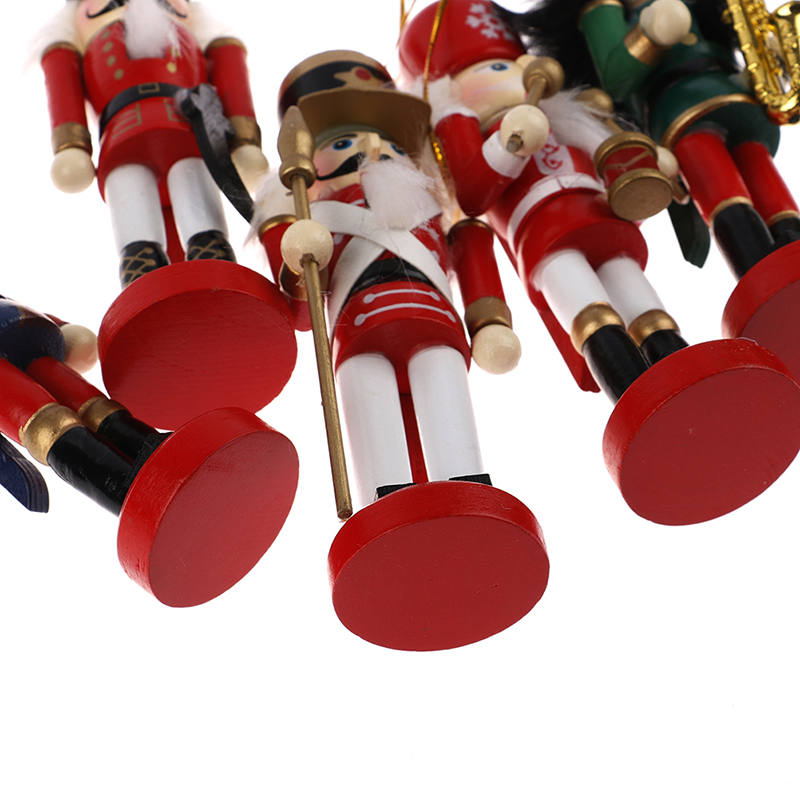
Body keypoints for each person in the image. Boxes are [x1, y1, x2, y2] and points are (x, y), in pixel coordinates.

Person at [398, 0, 800, 525]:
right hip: (542, 236)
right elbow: (474, 193)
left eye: (512, 64)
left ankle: (682, 370)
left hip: (602, 218)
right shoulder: (467, 127)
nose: (516, 74)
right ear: (450, 92)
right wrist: (511, 143)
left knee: (643, 302)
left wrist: (648, 161)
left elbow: (610, 151)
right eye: (494, 68)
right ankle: (633, 393)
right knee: (590, 310)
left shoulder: (563, 112)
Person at [255, 50, 549, 651]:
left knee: (442, 382)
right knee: (368, 395)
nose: (369, 150)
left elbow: (474, 257)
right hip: (358, 328)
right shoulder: (315, 215)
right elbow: (299, 311)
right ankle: (384, 503)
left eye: (384, 140)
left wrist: (489, 320)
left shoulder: (434, 210)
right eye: (344, 143)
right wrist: (298, 258)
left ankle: (468, 487)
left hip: (433, 321)